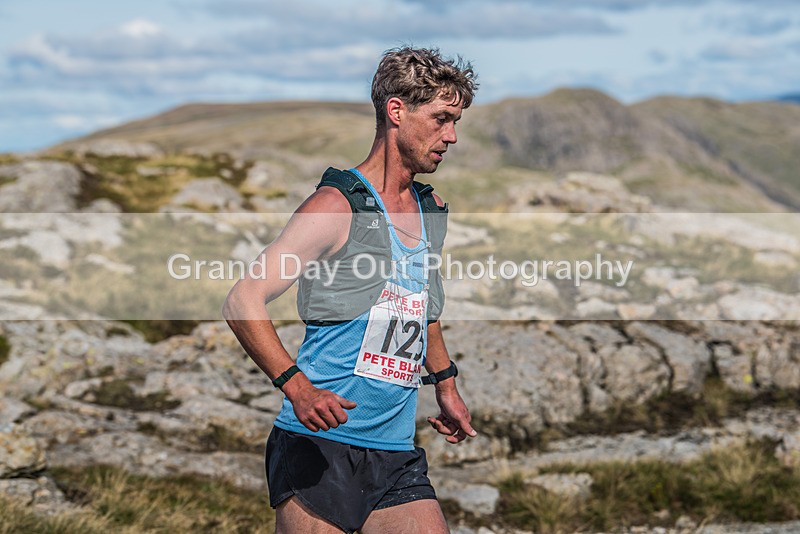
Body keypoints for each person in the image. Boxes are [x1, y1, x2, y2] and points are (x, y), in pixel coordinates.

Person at [223, 46, 478, 534]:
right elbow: (242, 300)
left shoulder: (430, 208)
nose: (452, 136)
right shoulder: (335, 206)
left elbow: (421, 307)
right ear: (396, 111)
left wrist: (445, 384)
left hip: (395, 452)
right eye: (442, 119)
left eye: (456, 121)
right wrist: (296, 388)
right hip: (319, 447)